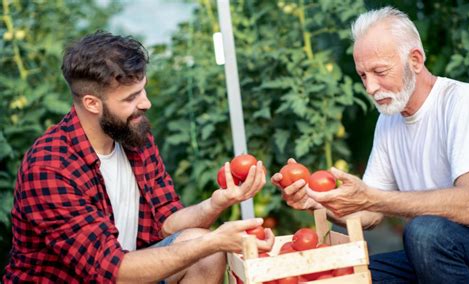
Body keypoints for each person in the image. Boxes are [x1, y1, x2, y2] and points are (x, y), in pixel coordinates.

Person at [4, 31, 273, 283]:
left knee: (204, 252)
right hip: (93, 276)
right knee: (205, 246)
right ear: (92, 103)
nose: (146, 103)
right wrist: (214, 241)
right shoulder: (50, 168)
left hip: (122, 271)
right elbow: (112, 270)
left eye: (143, 90)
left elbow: (167, 224)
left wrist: (215, 204)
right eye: (131, 97)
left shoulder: (132, 134)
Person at [272, 6, 469, 284]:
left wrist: (374, 198)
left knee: (424, 232)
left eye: (380, 71)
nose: (370, 87)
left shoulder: (463, 103)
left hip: (455, 244)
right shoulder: (389, 120)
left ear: (415, 60)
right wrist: (316, 201)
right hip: (437, 253)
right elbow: (369, 213)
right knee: (355, 275)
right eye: (363, 75)